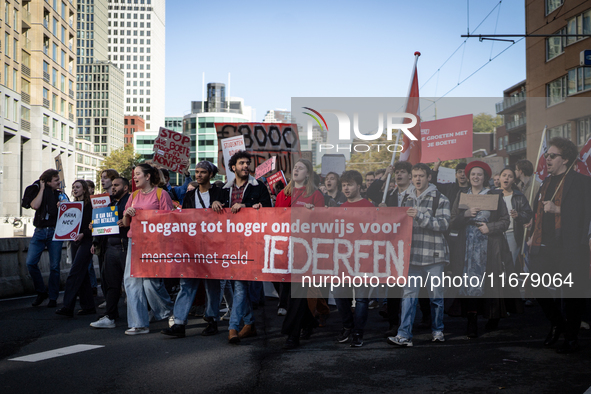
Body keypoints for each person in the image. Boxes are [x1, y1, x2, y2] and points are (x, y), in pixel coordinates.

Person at [528, 137, 591, 353]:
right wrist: (531, 228)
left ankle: (571, 338)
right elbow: (538, 212)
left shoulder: (582, 182)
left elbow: (586, 214)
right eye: (547, 156)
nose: (547, 159)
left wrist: (559, 211)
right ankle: (558, 323)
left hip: (570, 247)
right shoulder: (545, 182)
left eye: (552, 156)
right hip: (544, 246)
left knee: (572, 292)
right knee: (535, 283)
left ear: (564, 159)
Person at [211, 151, 272, 344]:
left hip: (251, 243)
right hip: (229, 244)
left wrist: (245, 206)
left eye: (247, 163)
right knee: (239, 284)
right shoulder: (224, 190)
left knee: (239, 285)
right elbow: (216, 210)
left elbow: (269, 210)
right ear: (233, 167)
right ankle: (250, 323)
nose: (246, 166)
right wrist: (215, 203)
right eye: (241, 163)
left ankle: (233, 327)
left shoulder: (259, 187)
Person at [387, 163, 450, 347]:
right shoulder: (405, 197)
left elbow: (445, 224)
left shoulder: (440, 198)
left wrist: (420, 217)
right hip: (412, 255)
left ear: (429, 177)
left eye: (421, 175)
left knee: (436, 297)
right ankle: (404, 334)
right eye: (415, 176)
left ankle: (438, 330)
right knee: (408, 296)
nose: (418, 179)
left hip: (434, 255)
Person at [449, 161, 514, 338]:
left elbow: (505, 221)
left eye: (479, 174)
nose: (476, 177)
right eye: (472, 174)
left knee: (489, 283)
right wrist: (465, 215)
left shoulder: (494, 195)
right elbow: (452, 220)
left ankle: (493, 317)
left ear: (484, 177)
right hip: (467, 247)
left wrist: (490, 228)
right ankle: (472, 322)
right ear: (468, 177)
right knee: (469, 285)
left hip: (488, 246)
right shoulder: (462, 195)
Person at [161, 161, 223, 338]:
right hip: (193, 246)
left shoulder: (220, 193)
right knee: (187, 283)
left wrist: (221, 206)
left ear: (211, 175)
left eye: (203, 172)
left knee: (212, 285)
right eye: (197, 172)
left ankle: (212, 319)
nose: (199, 175)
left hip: (213, 246)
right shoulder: (189, 196)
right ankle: (179, 323)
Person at [277, 159, 325, 350]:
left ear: (308, 174)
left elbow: (324, 223)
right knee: (290, 291)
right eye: (295, 167)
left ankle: (292, 334)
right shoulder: (283, 194)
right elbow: (275, 219)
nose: (296, 169)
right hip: (285, 250)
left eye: (301, 167)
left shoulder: (315, 195)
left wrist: (315, 214)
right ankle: (310, 322)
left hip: (305, 251)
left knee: (297, 293)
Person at [366, 161, 419, 334]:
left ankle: (423, 318)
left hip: (415, 244)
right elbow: (371, 192)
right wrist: (382, 177)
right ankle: (394, 323)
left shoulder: (416, 194)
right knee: (395, 286)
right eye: (396, 172)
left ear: (410, 175)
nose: (399, 175)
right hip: (395, 245)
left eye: (402, 172)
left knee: (415, 285)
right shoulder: (390, 194)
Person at [122, 164, 174, 335]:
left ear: (148, 176)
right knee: (131, 281)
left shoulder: (161, 194)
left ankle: (168, 312)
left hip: (154, 243)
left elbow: (169, 220)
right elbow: (126, 223)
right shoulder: (133, 196)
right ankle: (139, 324)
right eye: (134, 175)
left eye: (138, 174)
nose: (134, 177)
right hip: (135, 241)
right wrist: (127, 214)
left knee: (150, 283)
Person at [334, 170, 375, 348]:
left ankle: (358, 332)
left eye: (350, 184)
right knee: (339, 295)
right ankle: (348, 326)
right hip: (343, 260)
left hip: (362, 259)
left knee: (361, 299)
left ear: (359, 186)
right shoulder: (340, 207)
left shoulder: (369, 207)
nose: (346, 188)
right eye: (344, 185)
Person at [90, 177, 131, 328]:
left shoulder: (130, 202)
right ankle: (110, 316)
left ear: (125, 187)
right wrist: (95, 226)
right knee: (111, 284)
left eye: (116, 185)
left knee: (132, 284)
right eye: (112, 185)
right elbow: (104, 225)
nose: (113, 188)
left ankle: (141, 314)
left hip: (124, 246)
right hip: (110, 247)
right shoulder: (111, 203)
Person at [22, 169, 64, 307]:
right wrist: (41, 188)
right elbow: (34, 205)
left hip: (54, 232)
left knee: (54, 266)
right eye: (56, 180)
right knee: (30, 263)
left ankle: (53, 297)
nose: (59, 182)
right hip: (40, 231)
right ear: (47, 182)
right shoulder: (37, 190)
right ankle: (41, 292)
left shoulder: (59, 194)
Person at [56, 180, 96, 317]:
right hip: (74, 240)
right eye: (73, 187)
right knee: (82, 273)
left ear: (84, 189)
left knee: (74, 272)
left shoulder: (91, 205)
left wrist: (83, 233)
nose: (74, 189)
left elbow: (94, 225)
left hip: (86, 240)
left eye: (77, 187)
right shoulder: (71, 205)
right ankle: (89, 306)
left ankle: (67, 306)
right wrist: (61, 209)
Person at [498, 167, 532, 266]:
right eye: (504, 175)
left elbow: (527, 214)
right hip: (495, 234)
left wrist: (518, 216)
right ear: (499, 178)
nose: (507, 178)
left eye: (510, 176)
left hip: (512, 234)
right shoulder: (491, 194)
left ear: (513, 180)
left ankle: (507, 281)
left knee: (509, 264)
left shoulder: (519, 196)